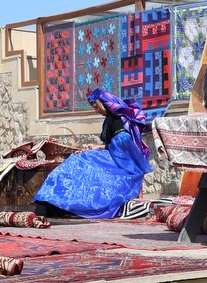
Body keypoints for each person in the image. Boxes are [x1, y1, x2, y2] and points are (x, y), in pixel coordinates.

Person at [33, 87, 154, 219]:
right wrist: (97, 146)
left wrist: (100, 147)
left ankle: (71, 205)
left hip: (120, 161)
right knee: (77, 161)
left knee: (85, 163)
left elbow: (123, 143)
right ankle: (55, 202)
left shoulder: (116, 119)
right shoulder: (110, 119)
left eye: (97, 107)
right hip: (111, 155)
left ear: (103, 104)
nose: (96, 111)